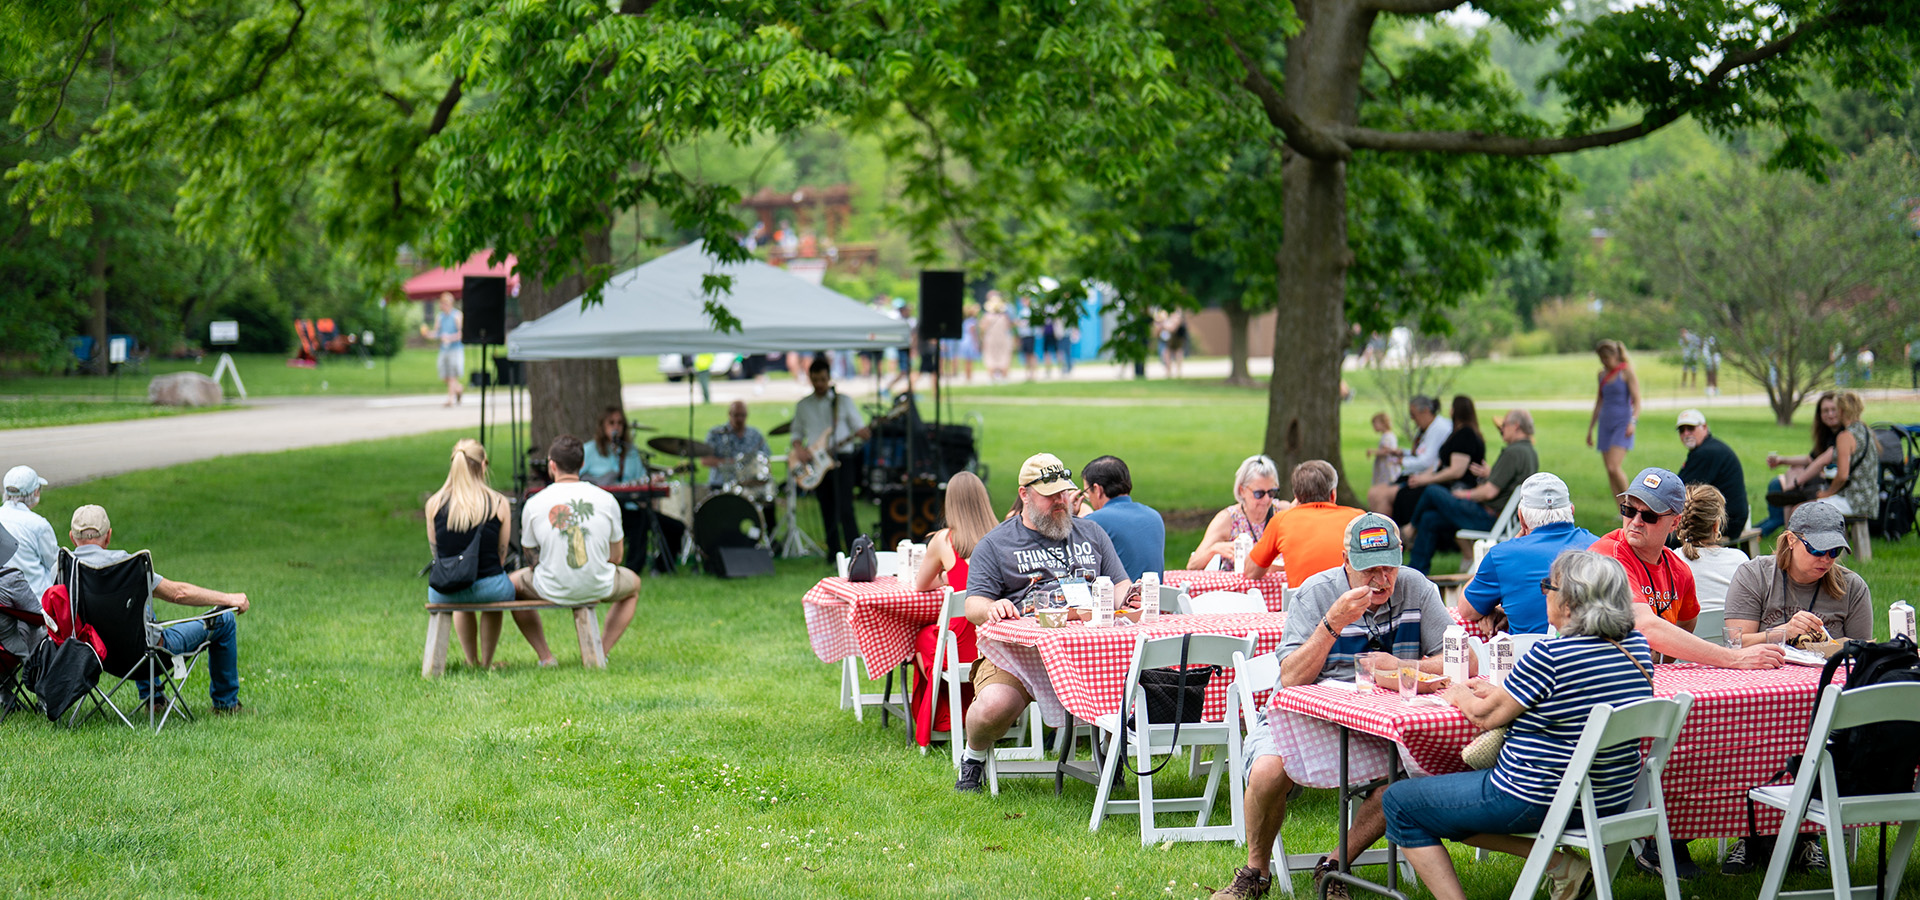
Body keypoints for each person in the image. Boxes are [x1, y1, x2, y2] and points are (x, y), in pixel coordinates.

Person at [1381, 550, 1655, 900]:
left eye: (1547, 587)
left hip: (1536, 797)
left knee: (1401, 802)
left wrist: (1458, 693)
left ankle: (1553, 867)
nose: (1544, 594)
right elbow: (1564, 698)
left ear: (1569, 605)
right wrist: (1502, 692)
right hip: (1611, 797)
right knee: (1444, 806)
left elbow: (1483, 716)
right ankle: (1560, 865)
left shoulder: (1551, 656)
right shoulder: (1636, 649)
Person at [1212, 513, 1453, 900]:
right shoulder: (1317, 593)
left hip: (1379, 725)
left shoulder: (1417, 588)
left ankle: (1335, 866)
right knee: (1268, 769)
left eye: (1389, 567)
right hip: (1304, 716)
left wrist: (1404, 667)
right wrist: (1332, 623)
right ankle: (1255, 873)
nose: (1381, 579)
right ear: (1345, 560)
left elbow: (1457, 661)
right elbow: (1290, 677)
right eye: (1368, 569)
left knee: (1405, 772)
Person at [1587, 466, 1783, 878]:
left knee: (1730, 728)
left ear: (1675, 522)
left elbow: (1681, 636)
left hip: (1644, 690)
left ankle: (1763, 828)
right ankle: (1662, 837)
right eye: (1629, 508)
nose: (1634, 521)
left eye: (1649, 515)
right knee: (1682, 731)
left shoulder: (1679, 571)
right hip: (1596, 699)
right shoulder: (1607, 554)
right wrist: (1733, 658)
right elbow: (1650, 628)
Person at [956, 453, 1130, 792]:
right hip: (1019, 655)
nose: (1061, 501)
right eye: (1051, 495)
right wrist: (994, 607)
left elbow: (1121, 582)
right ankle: (973, 758)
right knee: (994, 706)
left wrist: (1120, 597)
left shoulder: (1092, 533)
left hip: (1088, 652)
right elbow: (972, 603)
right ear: (1024, 494)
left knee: (1125, 689)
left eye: (1064, 493)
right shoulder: (995, 543)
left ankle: (1110, 762)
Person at [1716, 501, 1871, 875]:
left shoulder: (1851, 586)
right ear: (1790, 540)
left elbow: (1863, 655)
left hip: (1823, 701)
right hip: (1757, 699)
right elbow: (1733, 644)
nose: (1826, 559)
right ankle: (1750, 831)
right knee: (1752, 733)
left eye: (1834, 551)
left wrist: (1823, 644)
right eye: (1818, 549)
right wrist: (1784, 632)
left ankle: (1807, 836)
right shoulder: (1755, 575)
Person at [66, 505, 249, 714]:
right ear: (108, 536)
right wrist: (229, 598)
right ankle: (226, 705)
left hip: (97, 656)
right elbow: (178, 593)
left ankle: (154, 698)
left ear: (72, 537)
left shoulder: (64, 567)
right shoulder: (125, 566)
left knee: (141, 609)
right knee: (224, 620)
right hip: (145, 657)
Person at [511, 435, 641, 665]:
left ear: (552, 465)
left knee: (512, 586)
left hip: (550, 585)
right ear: (582, 464)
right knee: (634, 585)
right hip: (599, 583)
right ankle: (600, 651)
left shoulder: (534, 503)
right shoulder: (607, 499)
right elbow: (617, 557)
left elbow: (530, 555)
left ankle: (546, 656)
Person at [908, 471, 997, 747]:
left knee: (922, 638)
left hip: (962, 645)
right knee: (931, 639)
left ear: (951, 503)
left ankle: (945, 717)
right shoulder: (1002, 536)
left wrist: (948, 577)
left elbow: (922, 584)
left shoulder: (945, 540)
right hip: (994, 643)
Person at [1456, 473, 1599, 636]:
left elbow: (1467, 610)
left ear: (1521, 518)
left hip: (1527, 658)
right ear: (1571, 511)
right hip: (1590, 655)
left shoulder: (1503, 555)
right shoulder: (1599, 546)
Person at [424, 439, 521, 668]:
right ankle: (487, 662)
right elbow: (501, 552)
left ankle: (471, 660)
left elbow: (436, 552)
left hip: (444, 591)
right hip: (491, 588)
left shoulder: (434, 503)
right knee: (493, 590)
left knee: (461, 586)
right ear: (483, 465)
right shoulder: (498, 502)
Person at [1405, 408, 1536, 574]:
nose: (1502, 428)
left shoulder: (1513, 452)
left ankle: (1410, 529)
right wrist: (1489, 474)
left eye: (1504, 425)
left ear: (1516, 426)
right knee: (1430, 519)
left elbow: (1489, 492)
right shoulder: (1529, 452)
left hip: (1489, 518)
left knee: (1432, 491)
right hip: (1503, 519)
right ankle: (1417, 572)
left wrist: (1465, 495)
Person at [791, 354, 871, 561]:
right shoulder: (803, 405)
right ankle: (833, 552)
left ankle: (856, 553)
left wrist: (864, 433)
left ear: (829, 378)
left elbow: (859, 428)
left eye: (823, 380)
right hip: (817, 462)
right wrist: (800, 451)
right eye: (815, 380)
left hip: (842, 458)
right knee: (826, 507)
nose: (819, 384)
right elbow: (796, 434)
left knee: (845, 506)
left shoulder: (842, 401)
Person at [1245, 460, 1360, 587]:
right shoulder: (1357, 519)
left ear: (1297, 497)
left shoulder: (1282, 521)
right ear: (1333, 494)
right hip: (1353, 601)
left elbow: (1251, 571)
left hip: (1306, 604)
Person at [1757, 391, 1843, 535]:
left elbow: (1820, 462)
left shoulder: (1843, 435)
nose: (1830, 414)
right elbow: (1811, 459)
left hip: (1833, 484)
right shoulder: (1827, 435)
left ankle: (1785, 529)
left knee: (1787, 481)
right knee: (1787, 475)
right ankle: (1784, 523)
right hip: (1823, 478)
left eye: (1833, 410)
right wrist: (1781, 460)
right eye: (1825, 411)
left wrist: (1796, 483)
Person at [1366, 395, 1454, 521]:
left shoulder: (1439, 428)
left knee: (1381, 496)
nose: (1412, 419)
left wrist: (1402, 461)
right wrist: (1402, 453)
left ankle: (1386, 537)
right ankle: (1379, 534)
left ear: (1425, 411)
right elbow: (1420, 454)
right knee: (1373, 493)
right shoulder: (1428, 428)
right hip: (1417, 475)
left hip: (1426, 478)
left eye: (1413, 414)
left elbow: (1426, 461)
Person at [1186, 454, 1281, 570]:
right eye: (1259, 494)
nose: (1266, 499)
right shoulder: (1228, 519)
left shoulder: (1282, 512)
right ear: (1242, 491)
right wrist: (1214, 549)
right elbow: (1192, 565)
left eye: (1271, 492)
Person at [1080, 455, 1166, 580]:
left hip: (1118, 597)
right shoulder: (1154, 516)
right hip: (1154, 596)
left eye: (1087, 493)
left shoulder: (1094, 522)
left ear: (1097, 490)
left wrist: (1071, 515)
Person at [1673, 409, 1749, 543]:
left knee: (1667, 537)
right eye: (1681, 430)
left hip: (1726, 521)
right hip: (1728, 517)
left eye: (1690, 428)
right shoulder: (1709, 448)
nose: (1686, 434)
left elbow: (1680, 489)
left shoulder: (1707, 453)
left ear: (1704, 427)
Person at [1675, 485, 1747, 606]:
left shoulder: (1670, 561)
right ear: (1715, 526)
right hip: (1729, 625)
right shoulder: (1740, 561)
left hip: (1680, 626)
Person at [1586, 339, 1641, 497]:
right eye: (1601, 359)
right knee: (1609, 472)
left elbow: (1637, 400)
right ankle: (1621, 510)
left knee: (1614, 467)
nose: (1603, 362)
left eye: (1606, 358)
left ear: (1615, 355)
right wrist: (1590, 429)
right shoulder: (1601, 374)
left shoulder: (1626, 372)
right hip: (1605, 424)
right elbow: (1599, 402)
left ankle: (1631, 504)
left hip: (1622, 423)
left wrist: (1633, 421)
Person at [0, 465, 58, 597]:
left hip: (3, 599)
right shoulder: (38, 525)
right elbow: (55, 564)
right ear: (36, 492)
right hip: (35, 602)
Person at [0, 527, 44, 672]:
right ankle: (42, 684)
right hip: (6, 654)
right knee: (37, 629)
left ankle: (5, 694)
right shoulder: (10, 578)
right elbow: (37, 615)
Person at [701, 400, 771, 485]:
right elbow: (705, 460)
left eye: (743, 415)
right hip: (721, 484)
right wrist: (731, 463)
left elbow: (766, 457)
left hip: (748, 484)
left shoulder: (755, 435)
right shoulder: (716, 434)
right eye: (736, 415)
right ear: (729, 414)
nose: (739, 419)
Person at [420, 292, 464, 407]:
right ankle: (458, 389)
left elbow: (461, 334)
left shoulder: (457, 315)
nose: (442, 305)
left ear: (449, 303)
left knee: (452, 375)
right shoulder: (440, 317)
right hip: (444, 350)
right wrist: (428, 334)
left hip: (455, 349)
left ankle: (450, 399)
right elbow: (437, 333)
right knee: (445, 376)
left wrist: (450, 338)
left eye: (444, 303)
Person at [979, 293, 1014, 384]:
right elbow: (1008, 327)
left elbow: (982, 327)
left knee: (991, 356)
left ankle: (992, 377)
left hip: (991, 339)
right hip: (1002, 339)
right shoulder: (1004, 317)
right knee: (1003, 356)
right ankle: (1003, 377)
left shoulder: (987, 316)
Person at [1366, 412, 1400, 486]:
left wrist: (1372, 452)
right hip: (1386, 466)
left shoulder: (1387, 437)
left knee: (1385, 484)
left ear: (1383, 423)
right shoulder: (1390, 435)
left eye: (1375, 424)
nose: (1374, 427)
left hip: (1387, 467)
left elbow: (1386, 451)